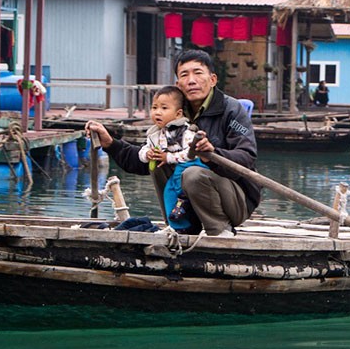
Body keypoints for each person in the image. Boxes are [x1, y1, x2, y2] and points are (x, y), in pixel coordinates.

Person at [86, 49, 261, 237]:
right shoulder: (174, 111)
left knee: (193, 173)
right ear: (178, 83)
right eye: (184, 75)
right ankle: (180, 227)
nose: (191, 80)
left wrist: (213, 154)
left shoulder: (232, 111)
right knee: (158, 162)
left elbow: (246, 158)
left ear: (212, 80)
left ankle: (218, 230)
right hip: (191, 199)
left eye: (198, 73)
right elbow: (142, 161)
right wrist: (110, 143)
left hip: (236, 199)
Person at [137, 85, 201, 229]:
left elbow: (191, 154)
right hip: (174, 172)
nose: (157, 112)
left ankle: (183, 220)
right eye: (154, 108)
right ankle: (176, 225)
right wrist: (147, 154)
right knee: (169, 194)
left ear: (178, 114)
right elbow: (143, 150)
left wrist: (168, 158)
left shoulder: (185, 132)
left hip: (190, 167)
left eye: (164, 108)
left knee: (175, 192)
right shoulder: (156, 133)